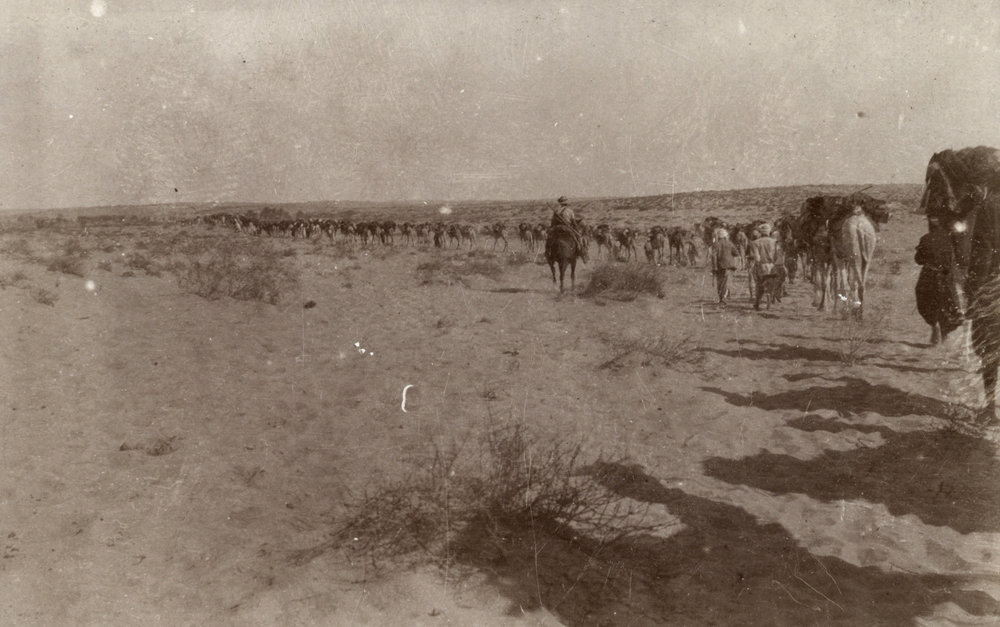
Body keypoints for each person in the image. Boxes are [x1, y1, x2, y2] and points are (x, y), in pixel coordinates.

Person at [915, 216, 962, 344]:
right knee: (948, 303)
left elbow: (918, 260)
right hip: (946, 277)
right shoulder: (949, 239)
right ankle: (945, 333)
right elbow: (957, 257)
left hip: (929, 275)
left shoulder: (925, 238)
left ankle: (934, 325)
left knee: (926, 301)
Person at [550, 196, 587, 261]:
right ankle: (582, 254)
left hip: (557, 228)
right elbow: (573, 222)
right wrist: (577, 230)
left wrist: (551, 228)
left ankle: (548, 253)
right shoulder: (570, 211)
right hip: (567, 228)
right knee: (578, 239)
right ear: (566, 203)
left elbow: (553, 222)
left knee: (550, 239)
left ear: (560, 203)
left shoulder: (556, 211)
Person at [710, 228, 739, 307]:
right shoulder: (730, 243)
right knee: (726, 282)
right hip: (729, 266)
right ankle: (723, 299)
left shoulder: (716, 244)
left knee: (720, 283)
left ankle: (722, 298)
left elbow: (713, 256)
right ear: (725, 236)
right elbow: (736, 253)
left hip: (719, 266)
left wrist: (714, 267)